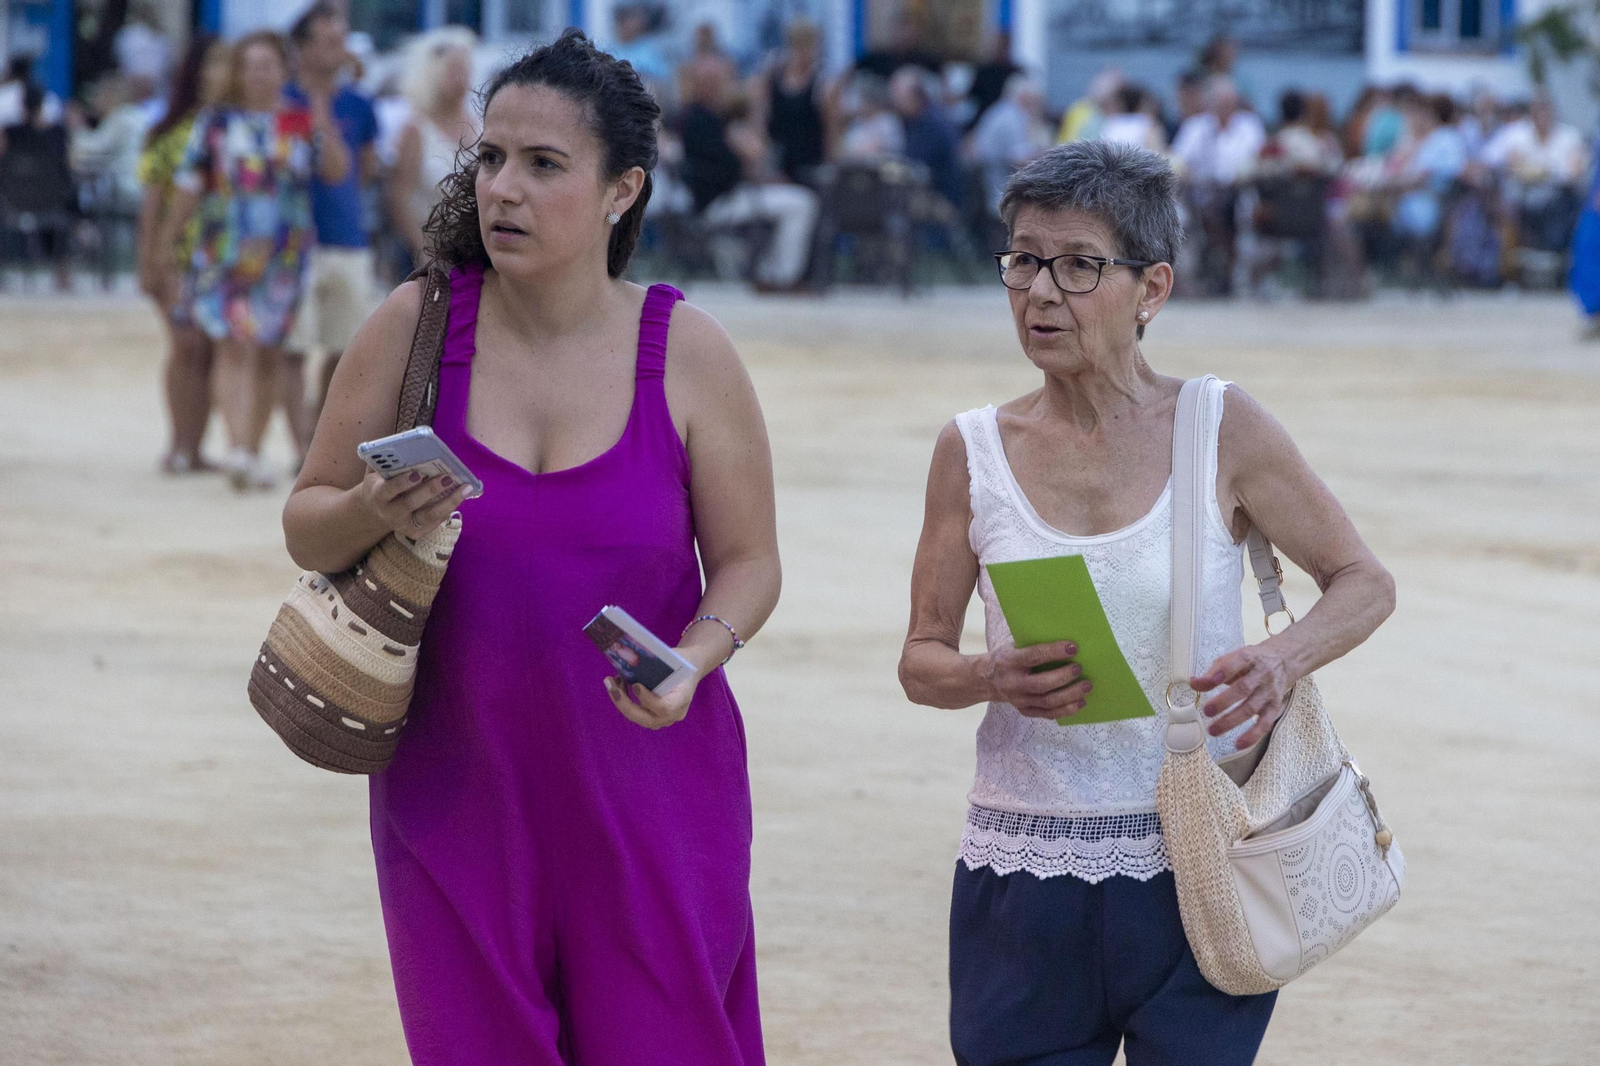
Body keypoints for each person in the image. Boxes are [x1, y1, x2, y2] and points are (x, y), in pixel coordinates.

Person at [281, 29, 780, 1065]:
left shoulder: (687, 349)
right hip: (456, 797)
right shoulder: (414, 324)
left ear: (621, 189)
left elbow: (750, 560)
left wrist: (698, 656)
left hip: (653, 792)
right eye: (492, 157)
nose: (503, 187)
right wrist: (378, 504)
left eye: (544, 164)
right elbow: (307, 519)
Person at [899, 140, 1396, 1065]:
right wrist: (986, 674)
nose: (1041, 292)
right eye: (1022, 259)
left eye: (1080, 264)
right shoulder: (970, 449)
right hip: (1024, 868)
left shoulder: (1219, 424)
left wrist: (1282, 658)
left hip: (1204, 857)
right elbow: (920, 660)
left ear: (1152, 288)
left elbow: (1364, 582)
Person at [161, 31, 350, 491]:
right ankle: (239, 448)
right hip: (224, 253)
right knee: (233, 345)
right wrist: (167, 244)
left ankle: (253, 447)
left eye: (267, 64)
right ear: (238, 72)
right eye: (250, 65)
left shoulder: (297, 123)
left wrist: (321, 111)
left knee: (268, 350)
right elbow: (190, 185)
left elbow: (336, 172)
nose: (258, 73)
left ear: (282, 71)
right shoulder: (216, 124)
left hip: (283, 257)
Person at [284, 1, 382, 455]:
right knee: (294, 348)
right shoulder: (285, 102)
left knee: (344, 349)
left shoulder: (359, 104)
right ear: (301, 49)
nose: (338, 51)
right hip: (294, 243)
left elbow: (359, 172)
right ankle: (298, 444)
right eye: (327, 42)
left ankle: (316, 435)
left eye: (340, 42)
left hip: (346, 237)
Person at [137, 34, 229, 474]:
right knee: (185, 346)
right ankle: (177, 443)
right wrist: (151, 259)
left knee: (210, 350)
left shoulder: (235, 127)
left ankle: (195, 447)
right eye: (213, 62)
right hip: (178, 258)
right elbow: (152, 204)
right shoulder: (170, 135)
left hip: (221, 261)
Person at [680, 67, 820, 291]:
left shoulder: (710, 118)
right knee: (803, 203)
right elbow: (731, 168)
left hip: (732, 195)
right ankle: (781, 277)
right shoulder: (700, 120)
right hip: (720, 202)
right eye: (715, 82)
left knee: (797, 200)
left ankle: (771, 272)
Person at [386, 25, 479, 263]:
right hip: (431, 253)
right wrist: (423, 252)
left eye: (465, 68)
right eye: (453, 70)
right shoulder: (416, 129)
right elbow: (399, 198)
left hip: (475, 254)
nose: (461, 77)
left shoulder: (481, 124)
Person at [0, 83, 75, 290]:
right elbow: (67, 167)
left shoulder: (10, 133)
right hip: (52, 201)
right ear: (43, 105)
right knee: (70, 202)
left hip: (14, 200)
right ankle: (63, 274)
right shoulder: (58, 134)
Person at [757, 18, 826, 185]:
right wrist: (767, 168)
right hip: (778, 165)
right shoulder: (771, 79)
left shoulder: (821, 84)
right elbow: (760, 124)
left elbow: (830, 133)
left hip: (811, 166)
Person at [971, 73, 1052, 215]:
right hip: (999, 188)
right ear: (1024, 97)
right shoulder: (1011, 118)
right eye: (1034, 100)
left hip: (989, 184)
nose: (1037, 105)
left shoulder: (999, 111)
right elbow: (1020, 160)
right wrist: (1050, 153)